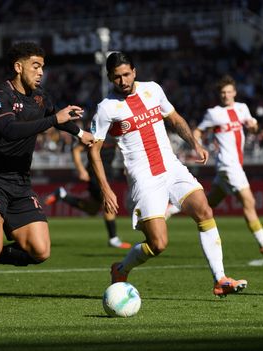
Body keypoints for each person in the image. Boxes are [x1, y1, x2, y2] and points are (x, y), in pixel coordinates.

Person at [0, 42, 94, 317]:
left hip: (20, 182)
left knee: (41, 251)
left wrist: (79, 133)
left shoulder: (40, 97)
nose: (40, 73)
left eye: (42, 67)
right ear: (18, 67)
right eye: (35, 66)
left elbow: (56, 118)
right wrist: (53, 121)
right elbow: (9, 129)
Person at [89, 52, 247, 297]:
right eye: (117, 77)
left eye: (127, 74)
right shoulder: (107, 108)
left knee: (204, 210)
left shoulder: (153, 89)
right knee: (158, 244)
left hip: (171, 167)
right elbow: (94, 150)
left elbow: (174, 118)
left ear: (135, 71)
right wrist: (105, 188)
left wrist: (195, 143)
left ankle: (220, 279)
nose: (123, 81)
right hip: (145, 178)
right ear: (110, 77)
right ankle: (121, 269)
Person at [194, 75, 263, 256]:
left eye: (229, 92)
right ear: (219, 95)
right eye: (222, 92)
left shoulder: (242, 108)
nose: (226, 95)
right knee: (249, 201)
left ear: (234, 93)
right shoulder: (213, 113)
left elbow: (253, 128)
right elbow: (198, 130)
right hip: (228, 164)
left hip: (234, 164)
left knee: (209, 203)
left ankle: (173, 207)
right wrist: (197, 146)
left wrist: (254, 125)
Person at [44, 133, 132, 249]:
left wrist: (126, 167)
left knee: (92, 209)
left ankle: (63, 195)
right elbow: (76, 150)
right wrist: (81, 170)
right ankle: (113, 238)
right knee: (108, 202)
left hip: (108, 175)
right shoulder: (95, 134)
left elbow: (123, 149)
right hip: (95, 175)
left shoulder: (114, 134)